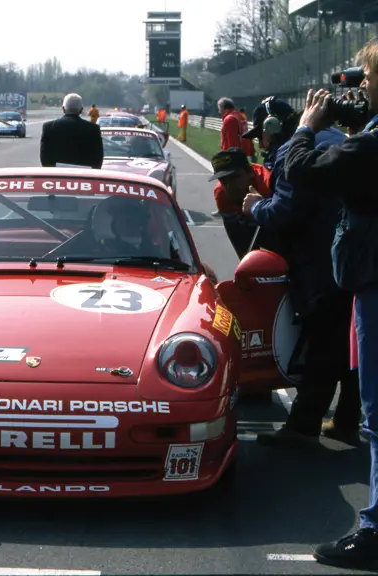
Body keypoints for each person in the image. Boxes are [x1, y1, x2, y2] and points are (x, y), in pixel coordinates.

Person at [284, 41, 378, 567]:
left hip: (374, 285)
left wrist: (306, 124)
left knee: (377, 416)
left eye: (366, 76)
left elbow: (304, 170)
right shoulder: (365, 143)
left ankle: (374, 532)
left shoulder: (368, 149)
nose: (361, 86)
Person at [243, 100, 361, 448]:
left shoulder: (293, 149)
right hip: (355, 256)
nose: (261, 144)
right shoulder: (341, 138)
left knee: (320, 345)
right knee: (349, 346)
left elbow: (286, 211)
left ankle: (303, 426)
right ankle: (347, 420)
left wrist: (255, 208)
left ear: (275, 127)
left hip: (321, 264)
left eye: (262, 136)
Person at [209, 148, 273, 259]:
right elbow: (237, 237)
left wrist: (263, 207)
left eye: (235, 177)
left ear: (250, 173)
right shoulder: (221, 194)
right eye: (223, 180)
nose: (230, 186)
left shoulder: (268, 185)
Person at [40, 93, 103, 169]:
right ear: (81, 110)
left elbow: (44, 158)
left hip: (57, 177)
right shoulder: (93, 129)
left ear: (63, 109)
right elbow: (98, 159)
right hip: (84, 177)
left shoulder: (49, 127)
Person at [242, 97, 298, 173]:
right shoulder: (305, 147)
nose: (260, 146)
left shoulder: (280, 160)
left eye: (260, 137)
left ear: (272, 126)